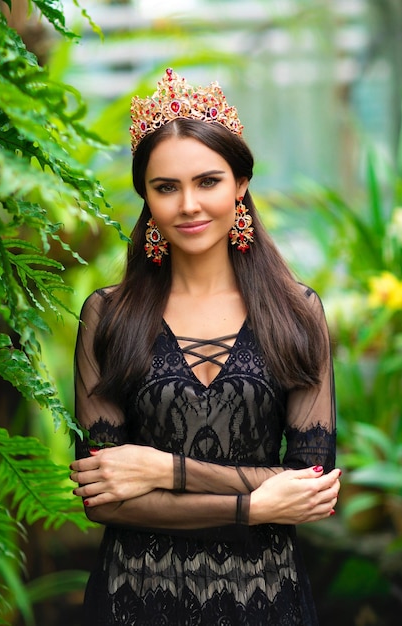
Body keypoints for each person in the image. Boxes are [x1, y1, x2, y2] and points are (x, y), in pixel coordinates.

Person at [70, 67, 340, 626]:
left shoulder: (296, 313)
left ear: (240, 183)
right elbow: (104, 499)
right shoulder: (108, 315)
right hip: (133, 601)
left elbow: (311, 487)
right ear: (145, 194)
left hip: (265, 600)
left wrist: (161, 469)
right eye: (166, 187)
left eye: (207, 181)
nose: (188, 205)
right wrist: (253, 505)